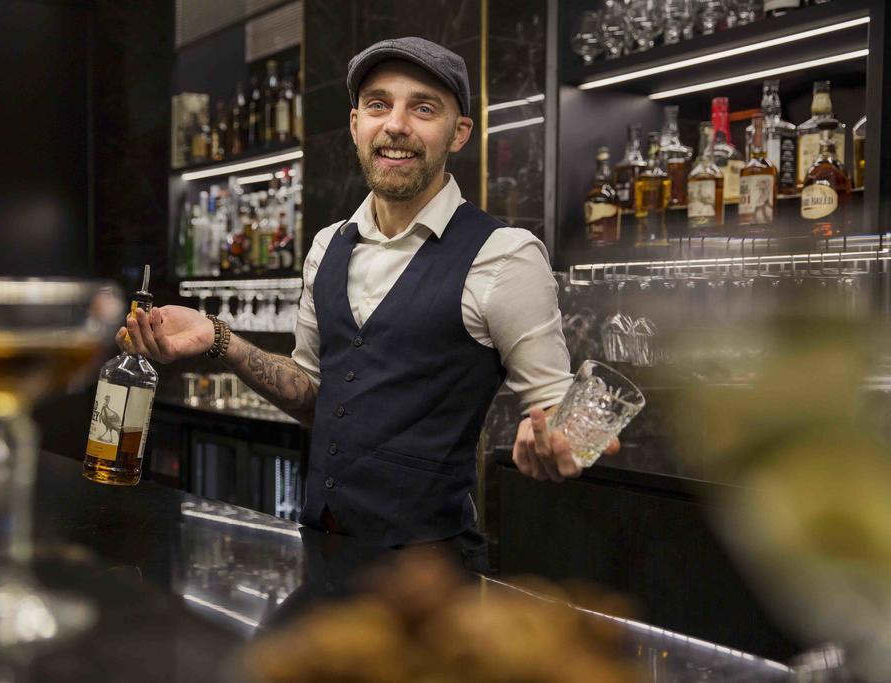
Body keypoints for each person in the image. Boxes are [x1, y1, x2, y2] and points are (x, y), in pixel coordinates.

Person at [120, 37, 617, 570]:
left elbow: (563, 411)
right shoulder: (326, 247)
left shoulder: (504, 255)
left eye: (423, 108)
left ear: (459, 132)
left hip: (428, 577)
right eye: (379, 105)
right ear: (356, 124)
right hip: (321, 551)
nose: (397, 125)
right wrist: (220, 340)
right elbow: (314, 394)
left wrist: (557, 439)